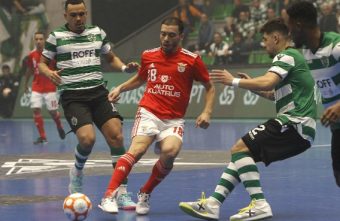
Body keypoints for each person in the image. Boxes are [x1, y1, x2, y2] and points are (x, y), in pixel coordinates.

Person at [179, 18, 317, 221]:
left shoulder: (287, 56)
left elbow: (268, 81)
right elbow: (272, 93)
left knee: (239, 149)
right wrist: (247, 83)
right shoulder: (293, 59)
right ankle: (212, 204)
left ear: (276, 37)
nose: (264, 44)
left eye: (265, 39)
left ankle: (260, 204)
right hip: (298, 127)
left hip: (295, 124)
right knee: (242, 155)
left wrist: (233, 81)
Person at [98, 17, 215, 215]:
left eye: (171, 35)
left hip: (173, 119)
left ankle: (145, 192)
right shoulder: (148, 55)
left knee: (169, 153)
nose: (166, 38)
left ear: (181, 36)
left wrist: (207, 112)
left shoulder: (191, 60)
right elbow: (141, 78)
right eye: (163, 34)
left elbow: (209, 86)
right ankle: (108, 195)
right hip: (149, 112)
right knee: (138, 149)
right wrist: (121, 87)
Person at [38, 0, 139, 210]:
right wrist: (49, 72)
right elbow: (42, 62)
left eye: (82, 14)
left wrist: (124, 68)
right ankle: (76, 172)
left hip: (98, 94)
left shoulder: (97, 33)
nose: (79, 19)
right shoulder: (56, 37)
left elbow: (111, 58)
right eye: (74, 15)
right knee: (87, 140)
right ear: (65, 16)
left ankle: (121, 192)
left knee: (117, 136)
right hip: (73, 97)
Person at [286, 1, 340, 187]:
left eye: (291, 27)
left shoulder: (336, 46)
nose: (290, 33)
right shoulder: (306, 55)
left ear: (299, 25)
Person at [24, 31, 65, 144]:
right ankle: (43, 137)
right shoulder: (31, 55)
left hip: (50, 87)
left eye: (41, 39)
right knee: (36, 110)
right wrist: (25, 84)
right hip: (36, 86)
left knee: (53, 112)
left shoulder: (51, 54)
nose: (38, 41)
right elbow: (29, 70)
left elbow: (59, 67)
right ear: (34, 40)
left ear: (44, 40)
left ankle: (59, 125)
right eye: (36, 39)